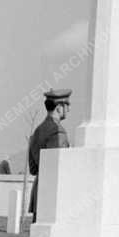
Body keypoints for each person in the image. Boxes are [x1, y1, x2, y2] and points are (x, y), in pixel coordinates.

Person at [28, 89, 71, 223]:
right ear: (59, 108)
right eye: (67, 106)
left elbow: (33, 169)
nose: (68, 110)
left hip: (39, 189)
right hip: (53, 194)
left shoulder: (38, 130)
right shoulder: (57, 131)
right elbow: (59, 167)